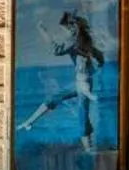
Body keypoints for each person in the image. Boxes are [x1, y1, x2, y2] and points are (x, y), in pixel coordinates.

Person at [18, 11, 106, 148]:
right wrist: (99, 63)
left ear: (72, 28)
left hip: (82, 83)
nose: (64, 33)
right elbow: (98, 54)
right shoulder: (83, 40)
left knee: (82, 116)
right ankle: (29, 122)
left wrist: (44, 32)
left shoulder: (74, 41)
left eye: (64, 30)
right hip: (81, 83)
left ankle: (88, 150)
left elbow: (56, 51)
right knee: (57, 99)